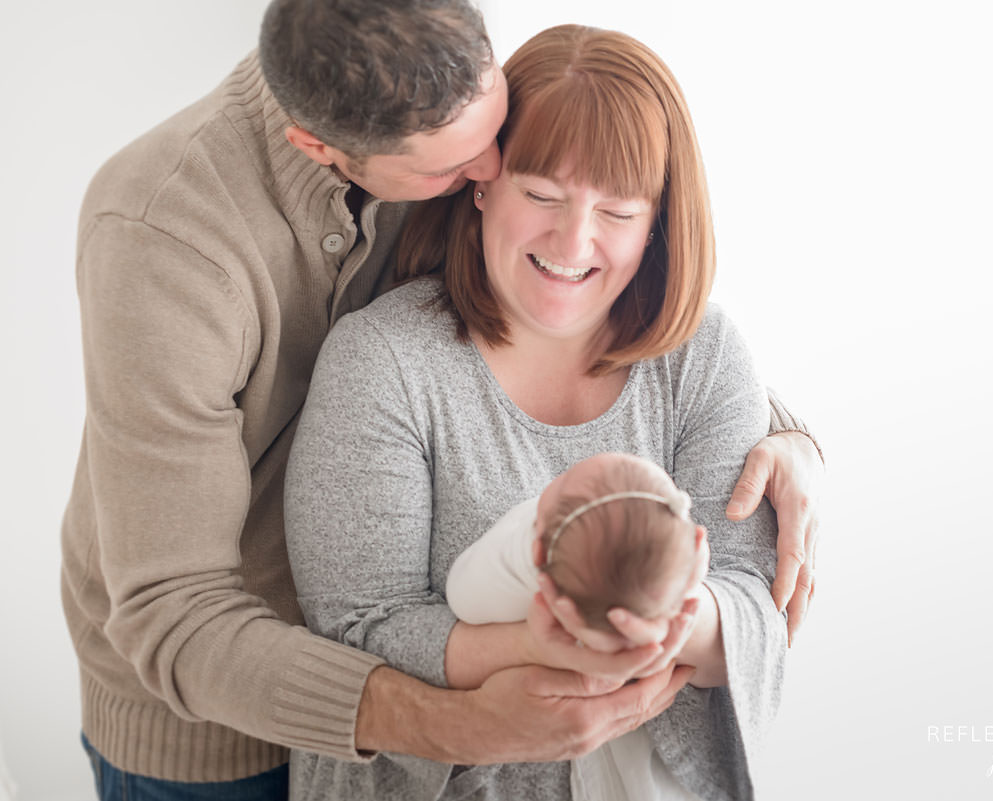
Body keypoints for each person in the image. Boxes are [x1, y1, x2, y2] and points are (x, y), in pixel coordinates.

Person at [61, 0, 821, 797]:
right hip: (215, 704)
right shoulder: (162, 237)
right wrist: (483, 707)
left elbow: (635, 339)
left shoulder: (436, 126)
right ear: (322, 148)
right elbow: (176, 611)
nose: (487, 167)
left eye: (495, 124)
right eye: (455, 173)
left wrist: (786, 432)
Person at [284, 24, 790, 800]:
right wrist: (537, 644)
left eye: (617, 211)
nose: (572, 240)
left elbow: (755, 599)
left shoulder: (703, 355)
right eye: (542, 195)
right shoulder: (384, 362)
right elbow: (359, 627)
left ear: (657, 219)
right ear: (484, 181)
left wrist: (640, 627)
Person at [446, 452, 715, 801]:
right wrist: (685, 586)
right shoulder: (672, 585)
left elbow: (461, 593)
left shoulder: (521, 576)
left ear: (540, 553)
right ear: (696, 542)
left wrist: (528, 557)